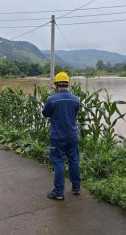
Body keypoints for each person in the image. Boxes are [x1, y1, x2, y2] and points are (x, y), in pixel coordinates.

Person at [42, 71, 81, 200]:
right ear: (68, 85)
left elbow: (45, 113)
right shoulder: (76, 99)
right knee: (74, 160)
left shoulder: (52, 100)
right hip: (72, 136)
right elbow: (74, 114)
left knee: (58, 162)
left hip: (58, 136)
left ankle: (59, 192)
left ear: (56, 84)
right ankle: (76, 188)